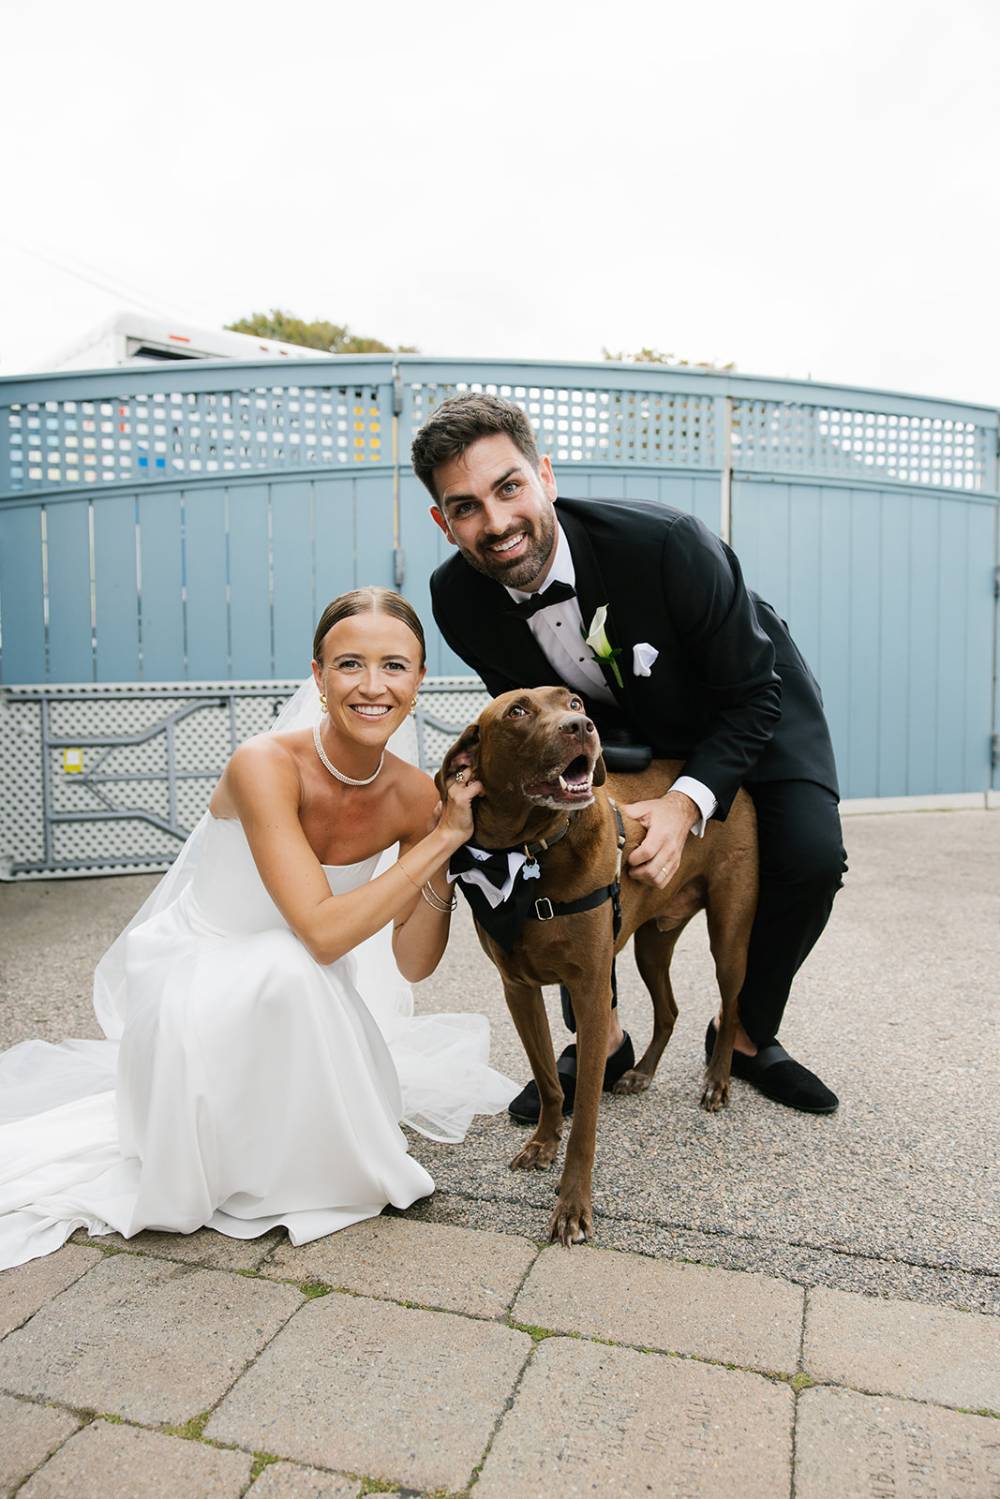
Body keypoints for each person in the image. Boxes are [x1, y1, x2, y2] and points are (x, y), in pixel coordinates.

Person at [0, 588, 516, 1271]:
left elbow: (415, 963)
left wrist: (444, 844)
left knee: (293, 969)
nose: (371, 685)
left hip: (304, 997)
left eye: (394, 665)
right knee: (289, 958)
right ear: (318, 676)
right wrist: (441, 837)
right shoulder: (263, 763)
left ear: (419, 680)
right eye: (349, 664)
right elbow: (323, 935)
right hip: (195, 978)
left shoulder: (414, 796)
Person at [414, 394, 845, 1118]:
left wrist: (685, 803)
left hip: (748, 700)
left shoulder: (669, 543)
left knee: (808, 858)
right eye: (465, 507)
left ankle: (744, 1032)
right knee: (559, 837)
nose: (495, 523)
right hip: (616, 727)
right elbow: (532, 736)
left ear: (544, 474)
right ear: (444, 521)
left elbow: (752, 693)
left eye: (508, 486)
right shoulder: (458, 597)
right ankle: (602, 1032)